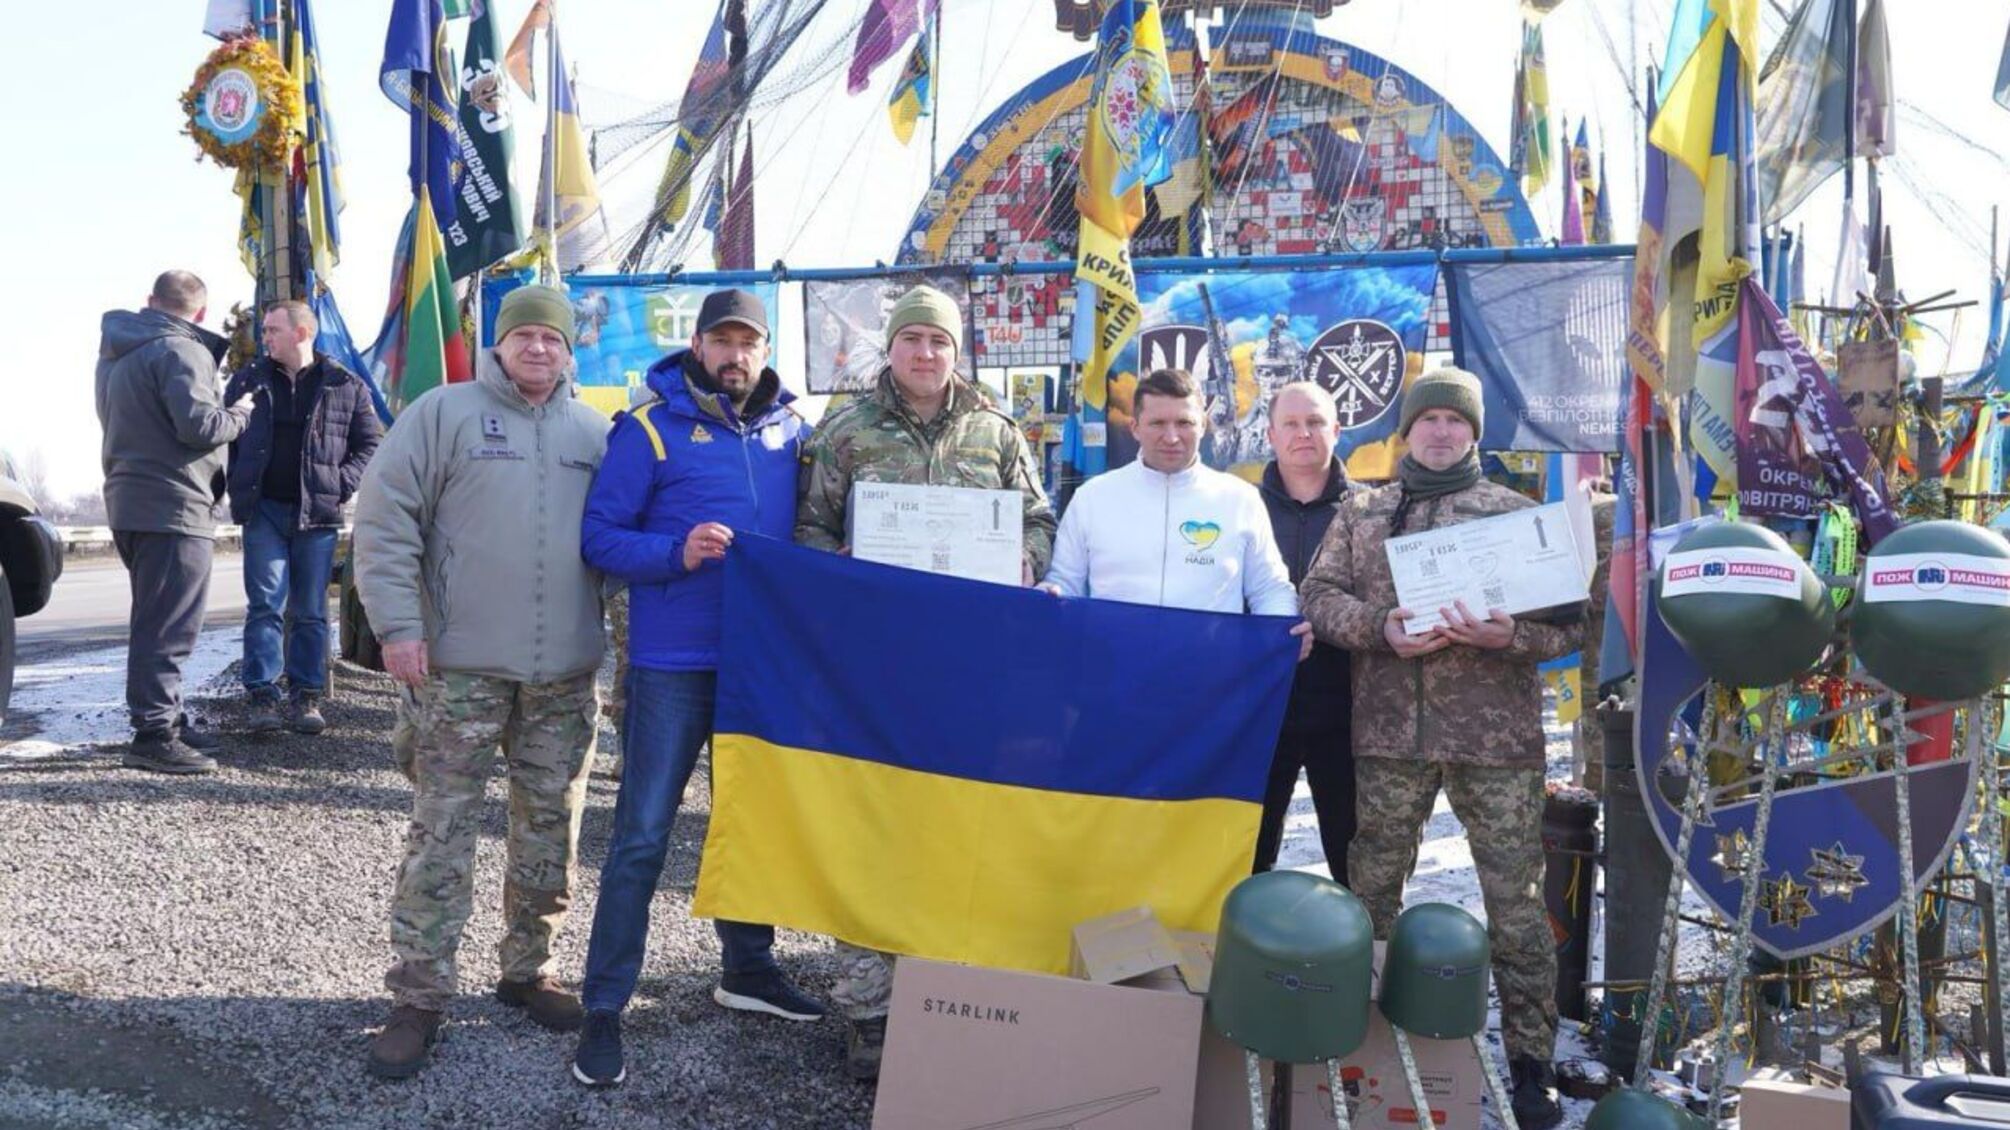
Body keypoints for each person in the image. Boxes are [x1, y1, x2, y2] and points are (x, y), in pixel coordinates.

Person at [1299, 366, 1575, 1129]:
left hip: (1496, 743)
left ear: (1474, 433)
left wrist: (1511, 635)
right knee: (1371, 892)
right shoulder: (1364, 512)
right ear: (1407, 430)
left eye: (1458, 422)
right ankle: (1353, 1039)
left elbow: (1574, 625)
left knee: (1516, 907)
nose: (1443, 433)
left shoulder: (1517, 516)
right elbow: (1317, 598)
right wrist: (1380, 631)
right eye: (1430, 421)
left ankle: (1530, 1062)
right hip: (1389, 736)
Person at [794, 283, 1056, 1081]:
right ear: (893, 347)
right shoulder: (843, 431)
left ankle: (949, 990)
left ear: (956, 350)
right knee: (876, 821)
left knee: (962, 821)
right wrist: (833, 572)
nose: (924, 353)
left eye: (938, 342)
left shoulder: (998, 432)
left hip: (974, 665)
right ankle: (869, 1005)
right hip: (877, 666)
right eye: (911, 340)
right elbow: (808, 529)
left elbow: (1038, 519)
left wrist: (1026, 560)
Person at [352, 285, 609, 1080]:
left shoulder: (596, 433)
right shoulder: (443, 415)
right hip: (458, 672)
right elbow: (385, 518)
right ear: (498, 343)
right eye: (524, 335)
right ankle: (419, 994)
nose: (538, 349)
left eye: (552, 339)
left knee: (550, 828)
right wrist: (398, 627)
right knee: (441, 831)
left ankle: (528, 969)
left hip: (562, 677)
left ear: (571, 352)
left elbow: (623, 541)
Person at [571, 289, 824, 1088]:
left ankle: (746, 969)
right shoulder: (647, 429)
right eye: (722, 340)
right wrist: (675, 552)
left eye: (748, 342)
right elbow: (600, 540)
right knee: (643, 833)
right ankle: (605, 1002)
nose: (735, 355)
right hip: (673, 663)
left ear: (764, 348)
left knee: (749, 823)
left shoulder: (795, 431)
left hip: (761, 665)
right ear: (698, 345)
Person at [95, 270, 254, 774]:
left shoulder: (116, 354)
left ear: (150, 301)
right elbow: (200, 426)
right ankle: (154, 734)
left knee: (155, 617)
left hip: (130, 499)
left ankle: (169, 718)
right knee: (169, 626)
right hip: (174, 504)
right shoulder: (183, 351)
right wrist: (240, 413)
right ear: (201, 313)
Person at [1041, 367, 1305, 631]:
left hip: (1211, 671)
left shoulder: (1240, 499)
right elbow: (1065, 582)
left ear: (1203, 425)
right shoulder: (1092, 498)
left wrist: (1283, 632)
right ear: (1135, 427)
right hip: (1115, 669)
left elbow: (1269, 589)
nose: (1171, 437)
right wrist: (1048, 596)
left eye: (1184, 423)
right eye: (1157, 423)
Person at [223, 299, 381, 735]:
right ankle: (262, 697)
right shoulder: (248, 380)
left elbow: (371, 445)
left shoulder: (344, 385)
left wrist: (339, 482)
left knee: (310, 609)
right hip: (264, 511)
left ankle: (306, 697)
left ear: (302, 332)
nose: (265, 337)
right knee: (265, 605)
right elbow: (230, 439)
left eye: (273, 329)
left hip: (318, 514)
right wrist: (237, 485)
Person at [1251, 381, 1358, 877]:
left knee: (1355, 861)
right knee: (1246, 858)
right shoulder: (1238, 510)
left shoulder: (1371, 512)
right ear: (1270, 434)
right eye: (1291, 424)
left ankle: (1363, 955)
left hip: (1348, 714)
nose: (1303, 434)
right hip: (1257, 714)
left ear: (1336, 431)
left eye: (1315, 422)